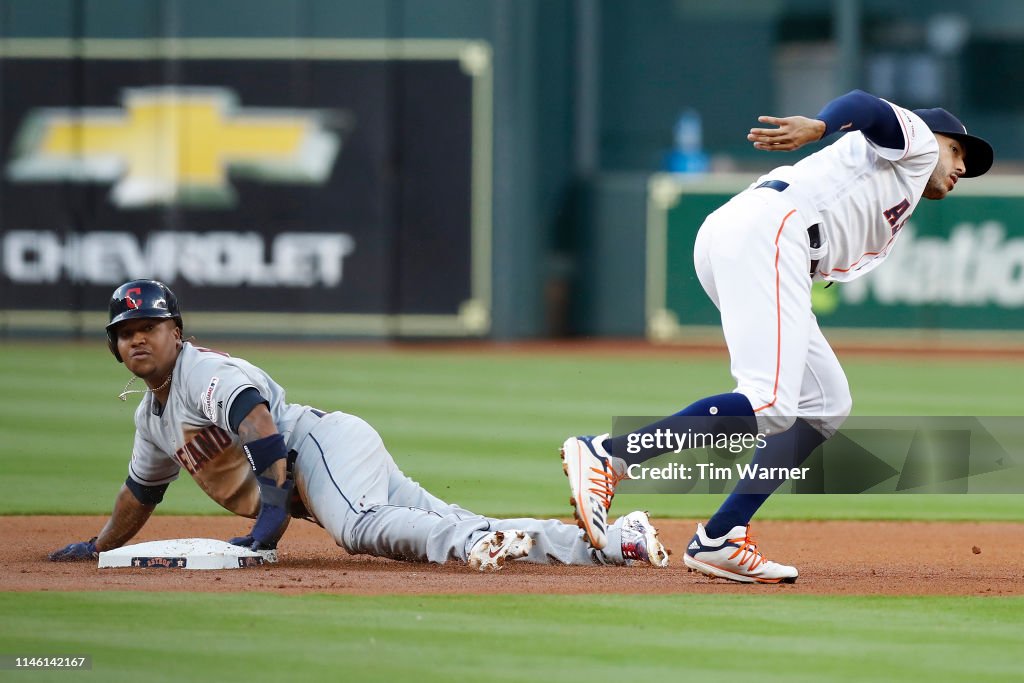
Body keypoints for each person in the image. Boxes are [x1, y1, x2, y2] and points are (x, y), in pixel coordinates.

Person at [560, 90, 993, 584]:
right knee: (769, 403)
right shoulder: (916, 144)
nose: (962, 166)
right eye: (958, 151)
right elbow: (867, 106)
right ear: (933, 136)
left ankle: (722, 537)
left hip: (758, 235)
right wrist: (821, 125)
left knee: (825, 403)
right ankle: (610, 454)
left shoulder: (902, 180)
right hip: (773, 230)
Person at [50, 279, 669, 571]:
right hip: (325, 463)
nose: (136, 341)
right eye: (124, 335)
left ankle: (469, 548)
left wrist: (271, 515)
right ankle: (615, 544)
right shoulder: (152, 416)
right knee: (453, 518)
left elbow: (256, 419)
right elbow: (141, 491)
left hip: (318, 450)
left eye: (147, 329)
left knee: (362, 528)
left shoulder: (201, 372)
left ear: (175, 332)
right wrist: (102, 543)